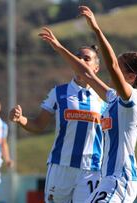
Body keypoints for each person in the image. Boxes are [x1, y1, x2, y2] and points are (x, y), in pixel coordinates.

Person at [38, 6, 137, 202]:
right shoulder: (113, 97)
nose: (112, 70)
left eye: (119, 68)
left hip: (121, 180)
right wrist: (59, 47)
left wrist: (97, 29)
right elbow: (87, 74)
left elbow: (112, 65)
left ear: (130, 77)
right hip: (108, 180)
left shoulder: (131, 100)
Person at [9, 42, 107, 202]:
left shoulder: (105, 99)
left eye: (86, 58)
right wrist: (20, 119)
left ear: (96, 68)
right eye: (77, 57)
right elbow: (39, 124)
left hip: (91, 170)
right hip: (61, 166)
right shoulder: (59, 92)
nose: (80, 61)